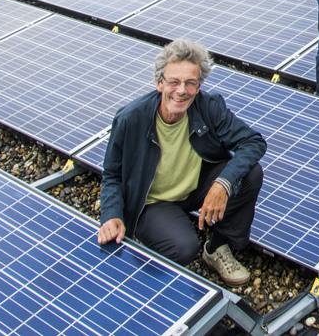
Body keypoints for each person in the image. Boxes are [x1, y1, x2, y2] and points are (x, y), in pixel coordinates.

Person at [97, 39, 267, 286]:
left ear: (198, 86)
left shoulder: (208, 107)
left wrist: (222, 184)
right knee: (184, 247)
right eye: (174, 82)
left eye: (191, 83)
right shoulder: (131, 118)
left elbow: (254, 142)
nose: (181, 90)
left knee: (250, 174)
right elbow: (112, 174)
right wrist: (111, 215)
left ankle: (218, 247)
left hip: (195, 187)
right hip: (154, 202)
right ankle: (156, 236)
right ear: (159, 83)